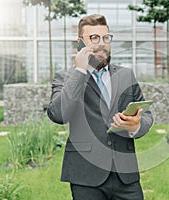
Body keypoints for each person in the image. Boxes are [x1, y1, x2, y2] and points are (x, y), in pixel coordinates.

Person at [47, 14, 153, 200]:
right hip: (86, 175)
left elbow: (146, 115)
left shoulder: (126, 75)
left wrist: (136, 126)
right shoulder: (66, 77)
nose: (101, 43)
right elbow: (58, 114)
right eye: (94, 38)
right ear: (80, 42)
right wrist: (80, 71)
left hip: (126, 176)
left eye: (106, 38)